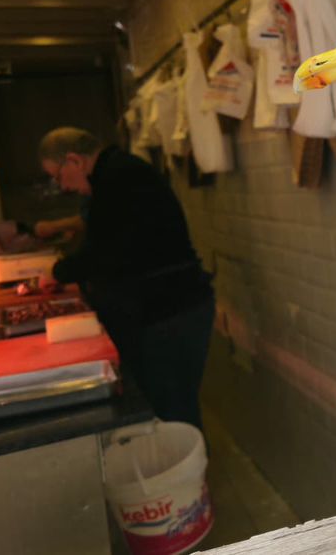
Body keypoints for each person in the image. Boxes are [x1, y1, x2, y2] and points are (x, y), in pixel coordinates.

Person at [38, 127, 214, 429]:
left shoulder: (117, 179)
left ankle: (188, 460)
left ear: (74, 160)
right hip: (168, 308)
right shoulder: (115, 173)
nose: (63, 186)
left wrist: (58, 272)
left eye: (58, 176)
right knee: (168, 409)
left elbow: (103, 252)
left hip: (171, 311)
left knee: (174, 411)